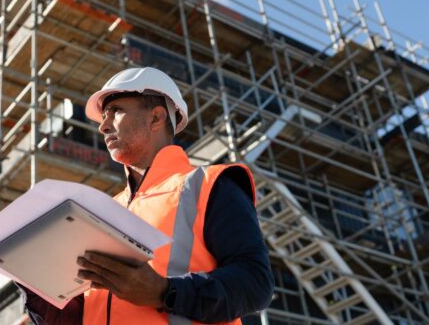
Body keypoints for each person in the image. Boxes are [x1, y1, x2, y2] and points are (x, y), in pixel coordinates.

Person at [19, 67, 273, 324]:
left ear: (156, 117)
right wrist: (39, 289)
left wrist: (164, 292)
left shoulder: (207, 185)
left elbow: (255, 282)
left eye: (115, 111)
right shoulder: (102, 212)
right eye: (104, 117)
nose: (103, 126)